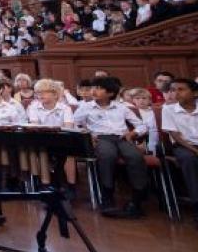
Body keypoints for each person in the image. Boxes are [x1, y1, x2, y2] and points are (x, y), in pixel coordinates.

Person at [72, 76, 148, 217]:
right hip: (100, 138)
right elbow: (73, 124)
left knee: (135, 156)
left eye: (99, 88)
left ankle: (137, 199)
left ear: (110, 93)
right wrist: (87, 134)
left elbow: (141, 125)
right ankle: (107, 196)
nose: (94, 91)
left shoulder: (122, 107)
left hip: (122, 138)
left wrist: (133, 133)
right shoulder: (85, 107)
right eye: (93, 88)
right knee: (107, 155)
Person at [160, 78, 198, 224]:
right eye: (173, 90)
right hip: (183, 146)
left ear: (195, 92)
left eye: (181, 89)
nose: (176, 93)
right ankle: (196, 205)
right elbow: (175, 135)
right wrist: (194, 150)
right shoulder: (168, 109)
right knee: (190, 160)